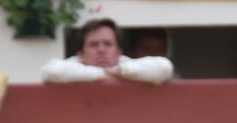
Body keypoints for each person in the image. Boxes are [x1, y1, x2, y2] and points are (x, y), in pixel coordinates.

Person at [40, 17, 175, 84]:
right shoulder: (75, 63)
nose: (101, 50)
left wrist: (121, 71)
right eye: (94, 45)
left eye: (108, 44)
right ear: (81, 54)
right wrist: (103, 74)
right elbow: (50, 71)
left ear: (118, 52)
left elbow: (165, 68)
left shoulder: (124, 64)